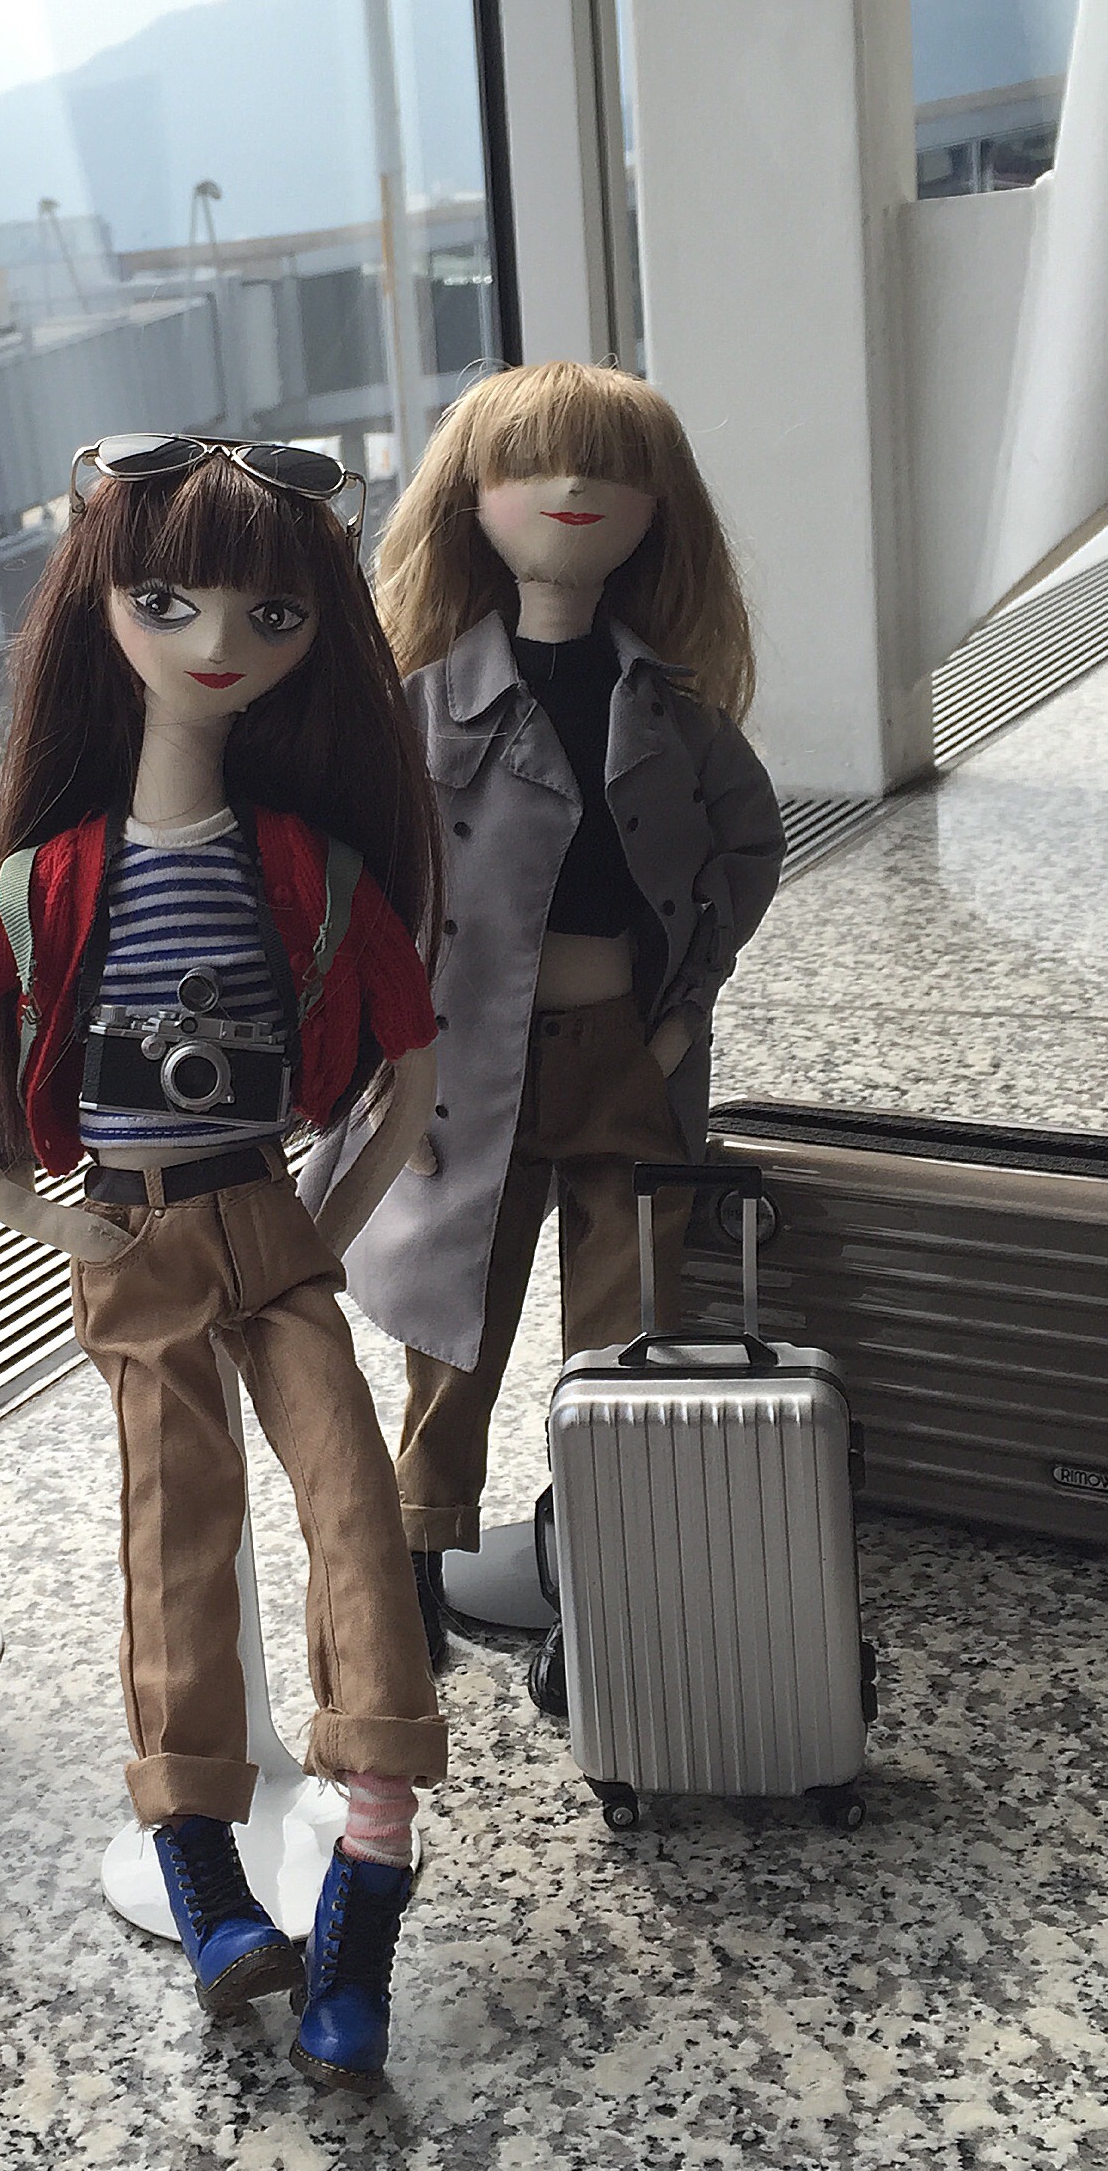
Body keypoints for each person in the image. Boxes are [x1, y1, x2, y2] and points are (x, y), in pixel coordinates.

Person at [0, 436, 446, 2096]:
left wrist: (328, 1221)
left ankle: (365, 1896)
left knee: (358, 1510)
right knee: (173, 1533)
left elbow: (410, 1067)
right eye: (166, 603)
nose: (216, 642)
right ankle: (208, 1886)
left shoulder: (310, 866)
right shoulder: (43, 883)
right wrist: (35, 1213)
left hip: (265, 1211)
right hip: (126, 1228)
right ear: (104, 608)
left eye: (269, 613)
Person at [345, 362, 787, 1669]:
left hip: (624, 1056)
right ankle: (413, 1566)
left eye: (613, 467)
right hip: (460, 1068)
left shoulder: (671, 708)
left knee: (630, 1329)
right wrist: (386, 1062)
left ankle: (608, 1570)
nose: (575, 488)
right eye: (532, 464)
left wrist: (680, 1012)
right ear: (471, 501)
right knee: (452, 1331)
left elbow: (746, 853)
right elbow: (363, 896)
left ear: (659, 507)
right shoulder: (421, 707)